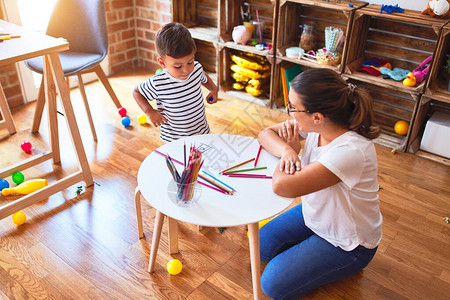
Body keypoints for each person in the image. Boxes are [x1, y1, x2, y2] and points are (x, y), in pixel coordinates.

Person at [257, 68, 383, 299]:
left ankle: (337, 263)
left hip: (349, 244)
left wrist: (293, 150)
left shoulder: (350, 151)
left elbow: (281, 186)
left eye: (293, 107)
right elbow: (265, 134)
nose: (290, 113)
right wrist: (286, 150)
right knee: (261, 246)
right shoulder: (319, 125)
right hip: (316, 215)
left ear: (317, 116)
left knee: (272, 284)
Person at [133, 22, 218, 142]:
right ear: (162, 63)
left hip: (201, 132)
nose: (186, 70)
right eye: (178, 66)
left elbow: (203, 76)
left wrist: (213, 89)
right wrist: (149, 111)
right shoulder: (158, 83)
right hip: (174, 139)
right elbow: (137, 92)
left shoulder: (196, 68)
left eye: (190, 62)